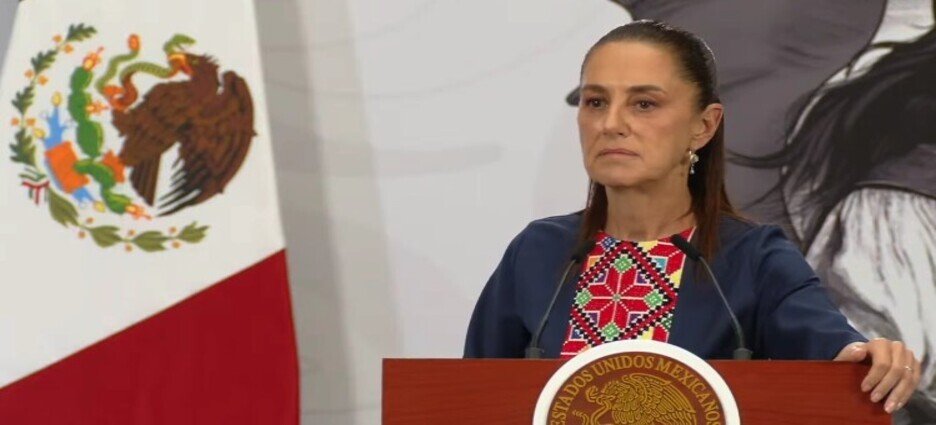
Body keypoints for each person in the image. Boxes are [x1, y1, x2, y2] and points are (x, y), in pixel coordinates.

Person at [464, 20, 921, 415]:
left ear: (704, 126)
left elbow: (834, 351)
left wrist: (871, 358)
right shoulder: (539, 251)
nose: (611, 123)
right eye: (596, 102)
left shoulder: (753, 257)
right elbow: (467, 399)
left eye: (644, 103)